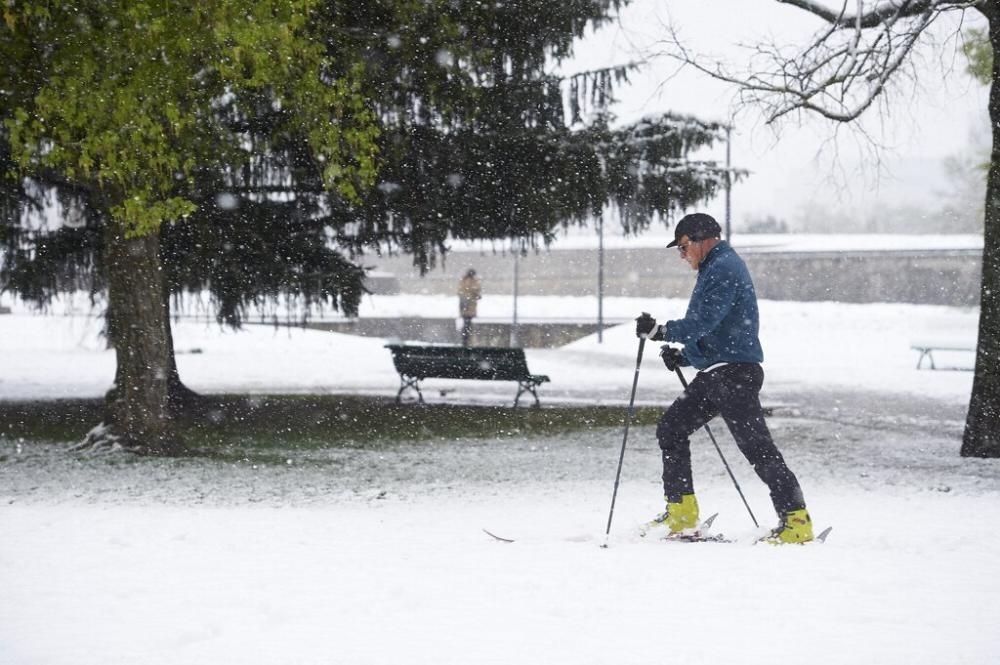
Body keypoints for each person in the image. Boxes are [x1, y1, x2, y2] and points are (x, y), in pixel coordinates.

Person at [634, 212, 813, 544]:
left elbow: (704, 321)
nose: (681, 254)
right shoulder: (713, 268)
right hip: (718, 372)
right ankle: (682, 515)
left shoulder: (724, 268)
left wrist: (662, 332)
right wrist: (684, 356)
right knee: (671, 428)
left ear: (704, 239)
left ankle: (796, 521)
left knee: (757, 448)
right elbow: (717, 333)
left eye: (684, 246)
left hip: (734, 374)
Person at [457, 268, 481, 346]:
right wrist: (476, 295)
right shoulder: (472, 281)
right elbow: (474, 291)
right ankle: (466, 341)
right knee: (467, 324)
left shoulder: (463, 280)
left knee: (466, 324)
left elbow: (461, 292)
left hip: (465, 306)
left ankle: (465, 340)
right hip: (469, 306)